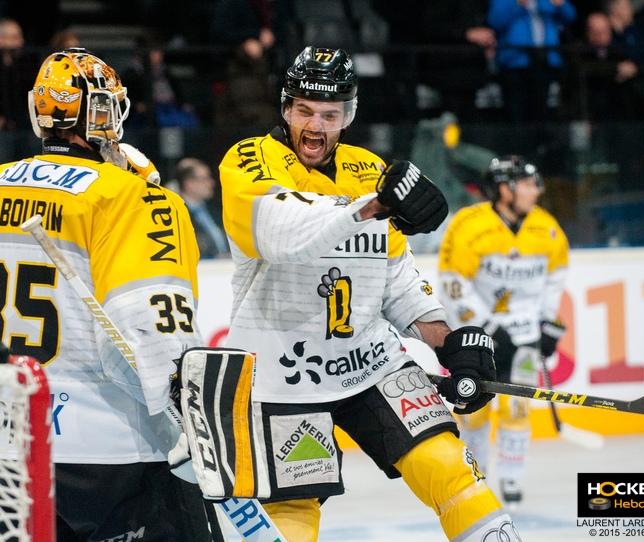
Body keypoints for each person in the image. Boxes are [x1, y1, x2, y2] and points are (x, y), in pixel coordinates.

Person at [218, 46, 521, 542]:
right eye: (304, 111)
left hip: (370, 363)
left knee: (453, 472)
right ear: (285, 108)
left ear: (349, 115)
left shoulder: (366, 167)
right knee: (292, 519)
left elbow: (395, 276)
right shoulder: (250, 159)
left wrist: (446, 341)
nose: (315, 126)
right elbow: (280, 234)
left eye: (330, 114)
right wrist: (374, 204)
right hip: (281, 381)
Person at [0, 48, 212, 542]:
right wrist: (191, 423)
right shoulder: (131, 196)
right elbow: (150, 333)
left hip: (5, 443)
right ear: (96, 113)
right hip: (109, 450)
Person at [437, 156, 569, 507]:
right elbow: (453, 284)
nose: (535, 190)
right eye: (526, 183)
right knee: (475, 408)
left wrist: (548, 324)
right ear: (504, 188)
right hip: (481, 339)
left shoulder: (547, 228)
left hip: (524, 336)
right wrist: (489, 329)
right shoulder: (469, 225)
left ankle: (511, 480)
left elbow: (554, 281)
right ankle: (476, 475)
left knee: (518, 408)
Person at [175, 157, 228, 259]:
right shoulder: (177, 214)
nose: (211, 183)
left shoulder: (215, 211)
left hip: (224, 270)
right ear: (189, 184)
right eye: (205, 178)